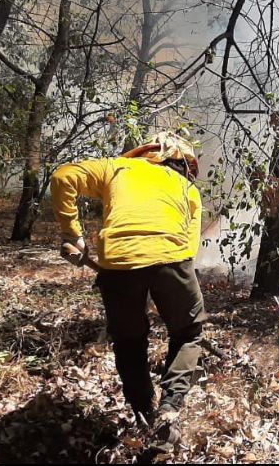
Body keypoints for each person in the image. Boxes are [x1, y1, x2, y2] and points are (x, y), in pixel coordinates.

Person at [50, 131, 204, 451]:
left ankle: (144, 415)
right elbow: (190, 246)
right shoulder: (187, 187)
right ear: (182, 164)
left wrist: (72, 234)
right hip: (172, 259)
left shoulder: (116, 167)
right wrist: (172, 284)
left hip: (117, 265)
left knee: (130, 341)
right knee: (188, 332)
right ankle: (169, 411)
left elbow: (62, 176)